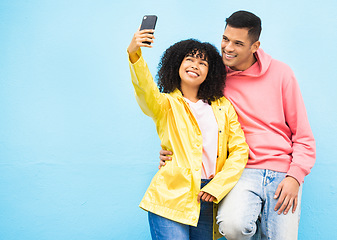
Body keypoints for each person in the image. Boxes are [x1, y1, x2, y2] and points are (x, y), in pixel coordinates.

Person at [159, 11, 316, 240]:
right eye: (225, 39)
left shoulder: (282, 74)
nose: (228, 48)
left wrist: (295, 176)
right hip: (239, 170)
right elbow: (189, 115)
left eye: (238, 43)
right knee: (232, 226)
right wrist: (172, 149)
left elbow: (303, 135)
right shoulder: (214, 77)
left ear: (255, 46)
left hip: (282, 171)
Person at [127, 26, 249, 240]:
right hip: (171, 197)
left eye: (203, 63)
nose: (195, 66)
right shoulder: (165, 103)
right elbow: (145, 90)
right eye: (190, 60)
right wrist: (134, 54)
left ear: (210, 72)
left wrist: (217, 186)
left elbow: (239, 151)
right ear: (177, 65)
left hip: (210, 198)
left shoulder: (223, 107)